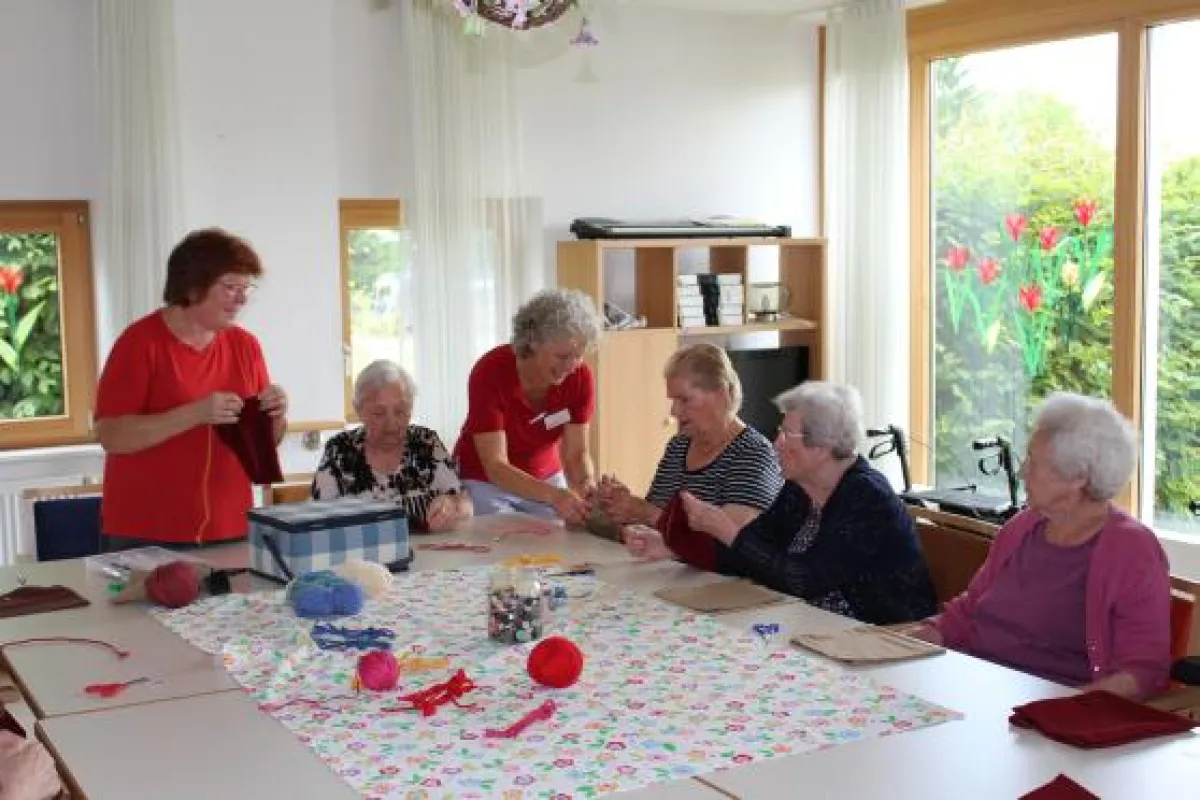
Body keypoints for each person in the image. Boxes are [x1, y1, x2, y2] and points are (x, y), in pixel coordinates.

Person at [902, 393, 1171, 699]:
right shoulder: (1022, 527)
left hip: (1052, 713)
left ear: (1078, 478)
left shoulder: (1131, 550)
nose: (1021, 472)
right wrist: (915, 637)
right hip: (975, 688)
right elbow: (970, 609)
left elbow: (1142, 672)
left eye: (1034, 462)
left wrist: (1059, 708)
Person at [625, 381, 938, 624]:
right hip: (812, 627)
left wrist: (728, 531)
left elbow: (802, 578)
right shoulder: (799, 489)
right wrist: (675, 547)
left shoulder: (867, 498)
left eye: (788, 435)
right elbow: (757, 551)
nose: (776, 444)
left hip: (881, 639)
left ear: (823, 445)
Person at [94, 228, 288, 549]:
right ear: (193, 286)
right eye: (230, 287)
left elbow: (266, 441)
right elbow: (111, 436)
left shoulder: (246, 346)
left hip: (230, 526)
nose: (241, 298)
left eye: (246, 288)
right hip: (147, 530)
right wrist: (195, 414)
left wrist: (276, 416)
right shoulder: (140, 343)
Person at [596, 343, 782, 532]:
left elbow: (732, 540)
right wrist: (618, 506)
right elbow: (658, 527)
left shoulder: (753, 454)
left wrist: (645, 512)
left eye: (684, 400)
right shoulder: (679, 446)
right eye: (673, 401)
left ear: (722, 395)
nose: (674, 411)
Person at [454, 289, 601, 525]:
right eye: (563, 356)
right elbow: (495, 465)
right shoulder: (491, 371)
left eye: (578, 355)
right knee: (497, 547)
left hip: (546, 476)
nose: (572, 366)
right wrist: (554, 496)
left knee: (561, 543)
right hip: (485, 481)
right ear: (532, 342)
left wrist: (587, 483)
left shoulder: (580, 377)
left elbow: (576, 453)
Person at [311, 360, 471, 532]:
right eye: (379, 413)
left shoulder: (426, 442)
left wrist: (451, 506)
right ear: (359, 410)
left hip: (426, 553)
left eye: (401, 412)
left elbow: (464, 504)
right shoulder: (339, 449)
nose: (391, 424)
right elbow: (317, 518)